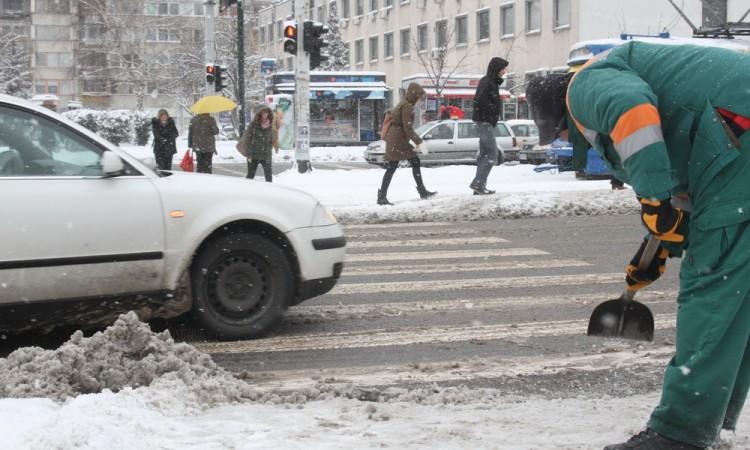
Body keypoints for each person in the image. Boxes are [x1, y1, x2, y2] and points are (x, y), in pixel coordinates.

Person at [525, 41, 750, 450]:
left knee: (712, 287)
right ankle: (708, 420)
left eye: (558, 133)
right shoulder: (646, 74)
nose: (565, 141)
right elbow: (682, 154)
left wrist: (654, 198)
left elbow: (634, 114)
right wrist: (662, 241)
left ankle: (679, 434)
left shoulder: (585, 86)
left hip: (739, 142)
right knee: (739, 296)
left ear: (560, 116)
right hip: (733, 145)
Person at [378, 82, 436, 205]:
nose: (420, 99)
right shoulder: (407, 106)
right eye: (419, 96)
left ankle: (422, 191)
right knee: (393, 167)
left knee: (412, 162)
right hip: (397, 140)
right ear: (414, 95)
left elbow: (405, 128)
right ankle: (382, 197)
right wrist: (419, 142)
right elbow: (407, 128)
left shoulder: (404, 103)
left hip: (397, 138)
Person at [470, 57, 509, 195]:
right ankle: (478, 183)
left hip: (485, 122)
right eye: (503, 68)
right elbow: (480, 101)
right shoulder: (488, 82)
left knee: (484, 154)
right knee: (492, 153)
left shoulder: (489, 81)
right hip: (485, 123)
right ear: (497, 69)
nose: (505, 71)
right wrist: (492, 115)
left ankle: (479, 187)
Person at [237, 107, 277, 182]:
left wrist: (273, 147)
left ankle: (270, 192)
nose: (265, 114)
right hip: (254, 154)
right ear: (260, 113)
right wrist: (248, 154)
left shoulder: (271, 126)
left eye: (267, 112)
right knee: (250, 176)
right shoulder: (253, 125)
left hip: (266, 155)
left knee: (269, 177)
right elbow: (246, 138)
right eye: (264, 112)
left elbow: (272, 140)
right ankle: (247, 191)